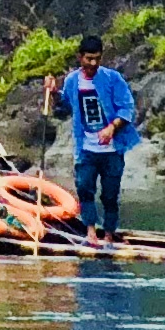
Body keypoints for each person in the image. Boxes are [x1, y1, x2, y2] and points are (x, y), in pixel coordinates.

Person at [57, 39, 139, 241]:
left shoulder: (112, 79)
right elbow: (64, 107)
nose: (92, 64)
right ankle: (91, 232)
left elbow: (127, 107)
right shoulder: (72, 81)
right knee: (85, 188)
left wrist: (112, 127)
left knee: (110, 194)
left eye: (97, 59)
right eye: (88, 59)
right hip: (86, 147)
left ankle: (109, 234)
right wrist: (52, 93)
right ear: (80, 57)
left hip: (112, 149)